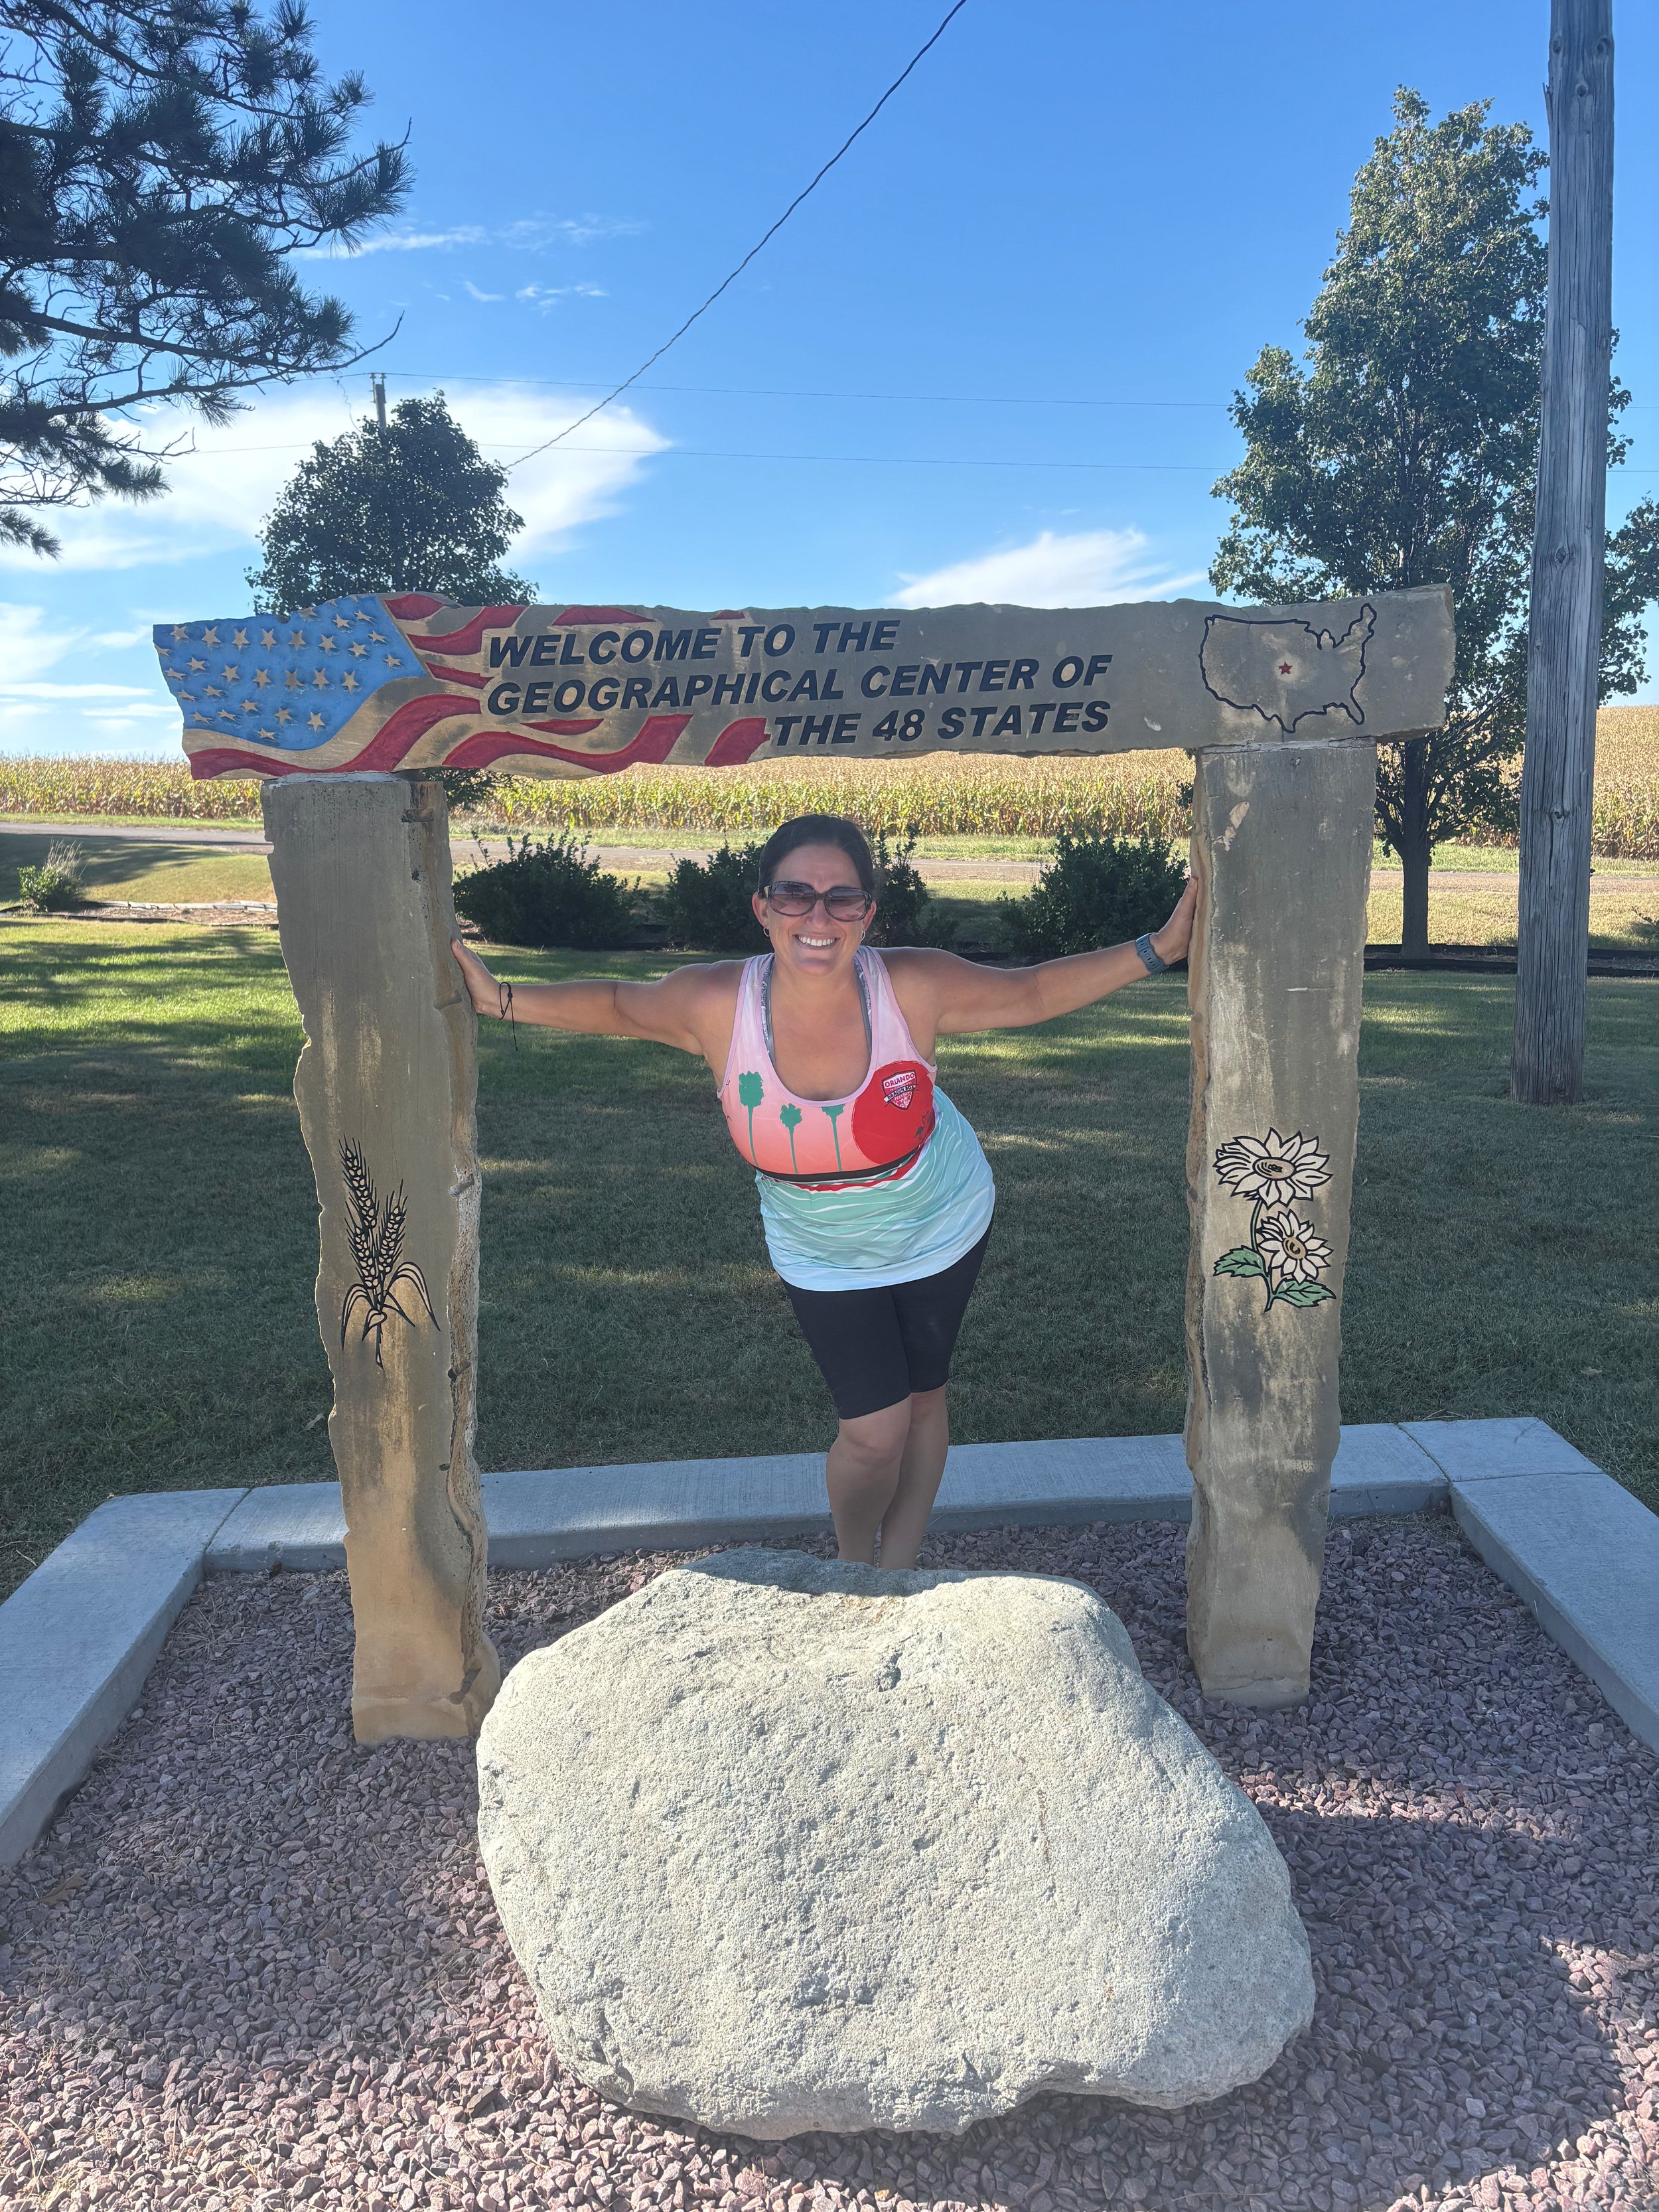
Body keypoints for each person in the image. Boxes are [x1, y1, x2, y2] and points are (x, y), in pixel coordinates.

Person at [452, 812, 1195, 1570]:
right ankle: (850, 1569)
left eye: (843, 899)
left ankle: (898, 1568)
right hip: (821, 1251)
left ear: (867, 913)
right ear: (763, 908)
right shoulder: (713, 1003)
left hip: (942, 1219)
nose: (818, 916)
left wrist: (1159, 949)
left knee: (925, 1399)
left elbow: (1031, 991)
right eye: (795, 894)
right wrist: (498, 999)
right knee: (874, 1430)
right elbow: (615, 1002)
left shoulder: (911, 986)